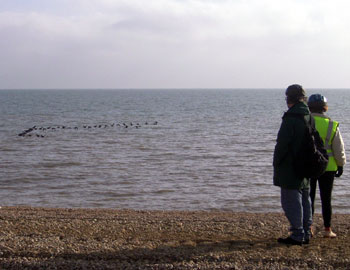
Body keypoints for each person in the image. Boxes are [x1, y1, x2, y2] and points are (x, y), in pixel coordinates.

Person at [273, 84, 312, 246]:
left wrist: (276, 162)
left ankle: (297, 234)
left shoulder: (291, 118)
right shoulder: (308, 115)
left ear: (290, 99)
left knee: (290, 201)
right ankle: (306, 230)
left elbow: (282, 144)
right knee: (305, 198)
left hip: (290, 166)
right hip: (306, 164)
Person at [308, 94, 346, 238]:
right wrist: (340, 164)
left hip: (309, 166)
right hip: (328, 167)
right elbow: (339, 148)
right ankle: (327, 229)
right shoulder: (332, 125)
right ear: (325, 108)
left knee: (308, 197)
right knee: (326, 198)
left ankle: (308, 227)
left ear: (309, 107)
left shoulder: (306, 122)